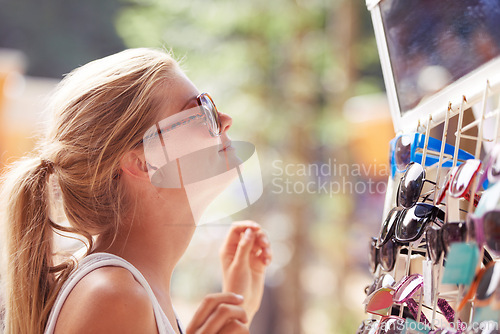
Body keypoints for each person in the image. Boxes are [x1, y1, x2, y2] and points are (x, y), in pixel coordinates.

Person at [0, 48, 272, 334]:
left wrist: (239, 309)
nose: (225, 118)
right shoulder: (114, 297)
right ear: (142, 162)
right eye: (200, 108)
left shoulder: (128, 294)